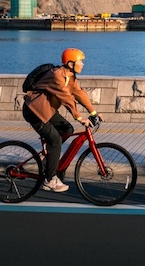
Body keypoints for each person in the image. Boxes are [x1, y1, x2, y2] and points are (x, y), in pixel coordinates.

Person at [22, 48, 101, 193]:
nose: (82, 64)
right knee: (56, 140)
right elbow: (67, 99)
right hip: (34, 111)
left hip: (48, 110)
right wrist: (79, 118)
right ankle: (50, 179)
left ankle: (49, 160)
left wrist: (94, 112)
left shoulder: (70, 77)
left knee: (67, 129)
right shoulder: (57, 75)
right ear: (70, 63)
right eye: (80, 62)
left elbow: (80, 94)